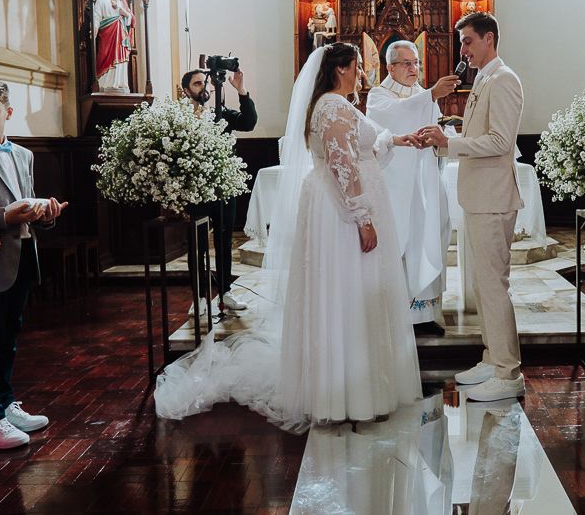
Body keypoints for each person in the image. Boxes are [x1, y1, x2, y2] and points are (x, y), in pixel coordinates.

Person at [155, 43, 422, 429]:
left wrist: (396, 139)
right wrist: (363, 217)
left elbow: (361, 146)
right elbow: (343, 164)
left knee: (348, 293)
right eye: (357, 66)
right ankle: (346, 392)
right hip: (341, 214)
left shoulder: (335, 104)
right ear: (340, 70)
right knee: (347, 294)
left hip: (338, 206)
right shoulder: (332, 106)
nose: (362, 72)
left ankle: (351, 387)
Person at [417, 12, 525, 402]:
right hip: (480, 196)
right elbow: (481, 133)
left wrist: (450, 144)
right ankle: (492, 357)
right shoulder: (484, 78)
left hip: (494, 198)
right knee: (482, 284)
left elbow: (500, 141)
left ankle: (508, 371)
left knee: (494, 287)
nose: (462, 49)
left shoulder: (505, 80)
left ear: (489, 39)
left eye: (467, 41)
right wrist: (450, 133)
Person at [0, 79, 67, 449]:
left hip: (23, 256)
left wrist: (46, 213)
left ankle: (5, 402)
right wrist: (5, 215)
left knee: (12, 336)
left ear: (8, 112)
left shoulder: (24, 155)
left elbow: (28, 207)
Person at [366, 40, 459, 336]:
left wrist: (439, 135)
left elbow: (430, 126)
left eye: (416, 62)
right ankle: (396, 313)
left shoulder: (423, 95)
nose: (413, 68)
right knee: (400, 244)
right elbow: (394, 117)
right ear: (389, 67)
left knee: (429, 236)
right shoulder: (378, 96)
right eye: (406, 63)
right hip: (395, 184)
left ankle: (425, 313)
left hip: (425, 180)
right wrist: (432, 94)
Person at [180, 67, 257, 303]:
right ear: (186, 91)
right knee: (198, 246)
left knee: (224, 242)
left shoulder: (220, 114)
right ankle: (200, 298)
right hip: (197, 192)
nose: (203, 87)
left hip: (224, 188)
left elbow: (249, 122)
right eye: (196, 84)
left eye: (205, 83)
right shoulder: (179, 119)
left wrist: (241, 89)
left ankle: (225, 292)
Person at [92, 0, 135, 93]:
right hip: (106, 33)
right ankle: (104, 82)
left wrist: (123, 12)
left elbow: (130, 18)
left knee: (121, 55)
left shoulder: (122, 2)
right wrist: (94, 31)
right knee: (104, 55)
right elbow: (96, 18)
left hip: (120, 33)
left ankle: (120, 83)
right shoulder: (101, 0)